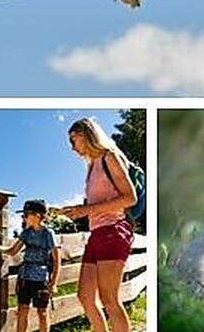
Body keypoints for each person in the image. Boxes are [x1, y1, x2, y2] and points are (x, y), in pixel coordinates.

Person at [60, 118, 137, 332]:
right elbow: (96, 205)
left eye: (73, 140)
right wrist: (76, 211)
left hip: (114, 230)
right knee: (85, 297)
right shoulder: (91, 166)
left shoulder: (108, 157)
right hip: (96, 233)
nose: (72, 147)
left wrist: (85, 211)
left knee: (109, 299)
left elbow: (130, 198)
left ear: (85, 134)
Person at [0, 199, 62, 332]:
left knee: (42, 312)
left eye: (26, 214)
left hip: (41, 278)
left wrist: (54, 283)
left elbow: (57, 259)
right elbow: (13, 251)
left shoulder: (48, 233)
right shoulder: (26, 233)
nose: (23, 217)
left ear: (38, 215)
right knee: (22, 310)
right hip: (25, 277)